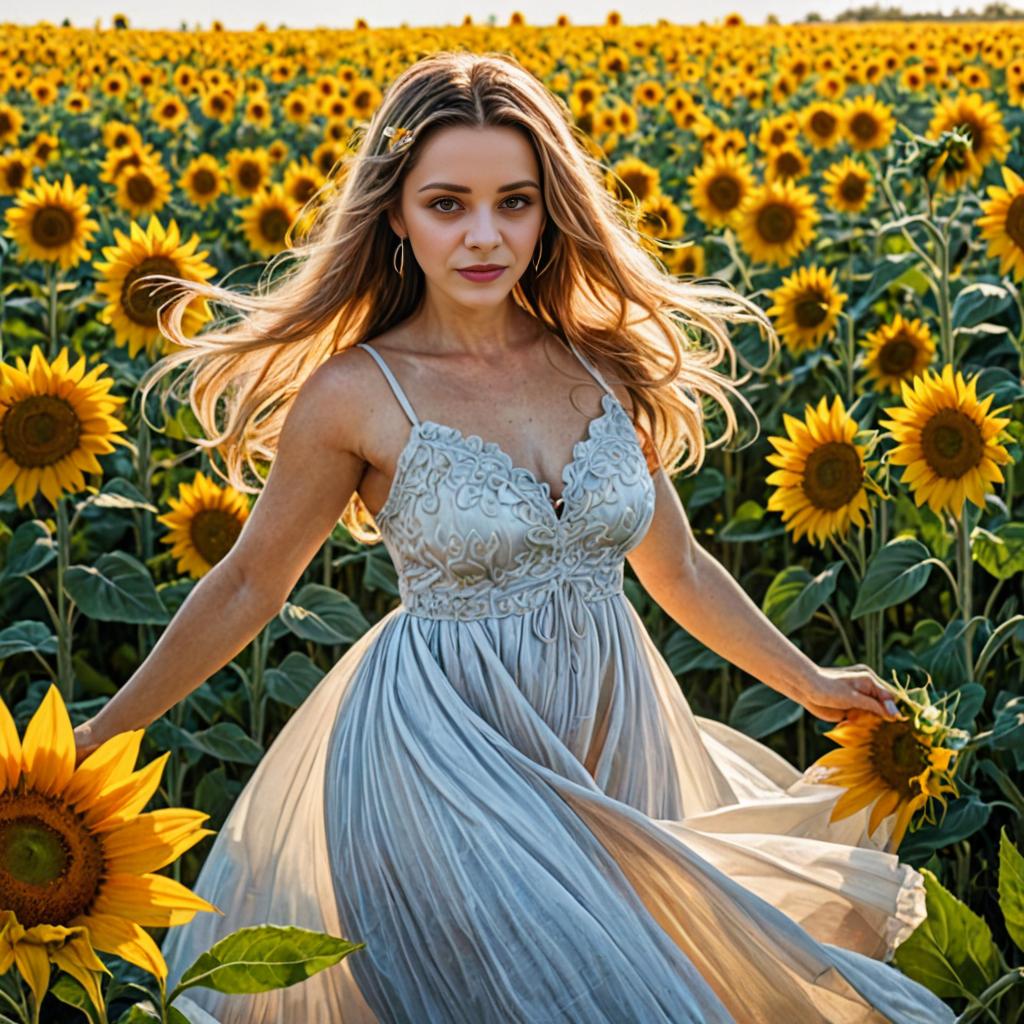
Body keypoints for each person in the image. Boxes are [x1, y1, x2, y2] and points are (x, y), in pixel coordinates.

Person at [73, 50, 955, 1023]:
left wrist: (813, 685)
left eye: (515, 202)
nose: (484, 235)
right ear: (396, 214)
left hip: (617, 742)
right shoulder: (357, 392)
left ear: (550, 209)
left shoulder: (599, 361)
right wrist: (99, 736)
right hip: (441, 757)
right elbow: (248, 584)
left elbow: (679, 566)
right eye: (447, 203)